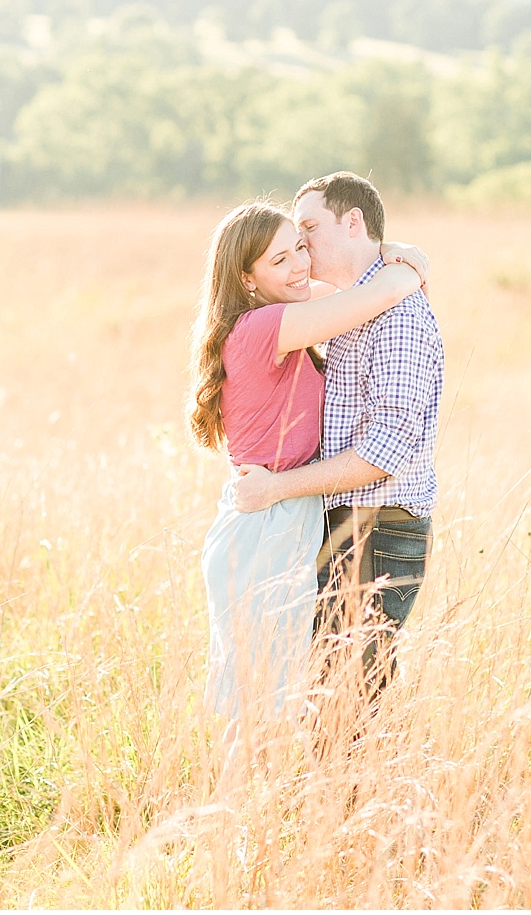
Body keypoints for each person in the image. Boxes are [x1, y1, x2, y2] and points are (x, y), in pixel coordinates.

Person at [187, 200, 428, 723]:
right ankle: (237, 803)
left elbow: (348, 286)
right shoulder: (262, 327)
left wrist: (391, 250)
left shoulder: (283, 312)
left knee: (283, 687)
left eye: (300, 246)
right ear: (247, 280)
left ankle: (259, 800)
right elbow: (383, 292)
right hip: (267, 519)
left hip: (288, 511)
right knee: (257, 697)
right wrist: (406, 261)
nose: (299, 264)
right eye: (279, 260)